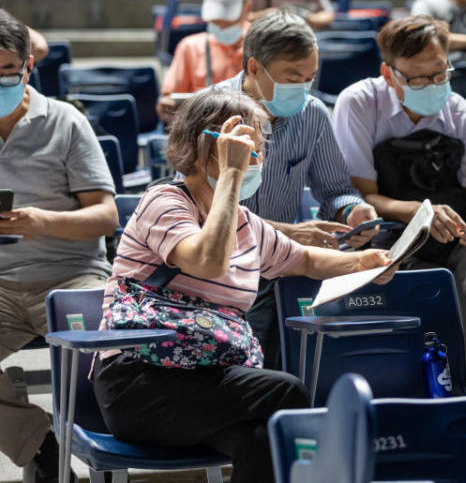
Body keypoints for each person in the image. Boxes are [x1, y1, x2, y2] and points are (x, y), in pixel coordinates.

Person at [92, 89, 392, 483]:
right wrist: (232, 175)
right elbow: (206, 260)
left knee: (263, 437)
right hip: (141, 381)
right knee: (286, 393)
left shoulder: (246, 223)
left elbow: (303, 258)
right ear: (203, 150)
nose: (256, 159)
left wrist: (362, 263)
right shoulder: (165, 202)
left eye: (257, 147)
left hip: (210, 377)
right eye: (243, 147)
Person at [332, 15, 466, 388]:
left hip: (451, 233)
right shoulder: (359, 103)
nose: (432, 85)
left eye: (440, 73)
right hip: (389, 232)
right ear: (388, 73)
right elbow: (364, 193)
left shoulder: (465, 116)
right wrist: (420, 213)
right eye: (417, 78)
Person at [213, 10, 380, 370]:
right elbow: (200, 214)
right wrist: (288, 234)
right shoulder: (208, 114)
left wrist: (353, 211)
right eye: (292, 78)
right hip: (220, 265)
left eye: (309, 78)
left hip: (283, 264)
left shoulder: (313, 113)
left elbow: (335, 189)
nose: (302, 89)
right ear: (255, 68)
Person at [0, 9, 118, 482]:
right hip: (4, 285)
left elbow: (106, 217)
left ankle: (110, 456)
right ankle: (39, 442)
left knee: (108, 362)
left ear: (28, 67)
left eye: (7, 72)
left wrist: (42, 222)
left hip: (74, 278)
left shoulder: (65, 122)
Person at [157, 0, 252, 124]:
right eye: (215, 19)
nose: (221, 25)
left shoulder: (264, 45)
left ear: (247, 7)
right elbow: (166, 103)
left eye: (228, 19)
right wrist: (169, 107)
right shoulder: (189, 47)